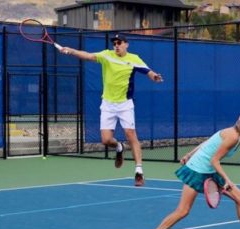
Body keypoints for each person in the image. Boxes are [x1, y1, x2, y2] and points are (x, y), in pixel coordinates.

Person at [137, 109, 240, 229]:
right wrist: (228, 180)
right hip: (197, 170)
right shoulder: (233, 136)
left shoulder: (237, 135)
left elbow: (209, 143)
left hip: (209, 170)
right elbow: (214, 160)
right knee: (183, 211)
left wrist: (190, 153)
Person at [59, 34, 163, 186]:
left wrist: (154, 76)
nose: (116, 45)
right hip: (107, 104)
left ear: (126, 44)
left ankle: (139, 171)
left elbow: (147, 70)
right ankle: (119, 147)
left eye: (119, 42)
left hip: (125, 104)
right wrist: (71, 51)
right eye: (114, 43)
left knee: (130, 134)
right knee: (106, 140)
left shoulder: (134, 58)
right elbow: (88, 56)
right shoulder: (106, 55)